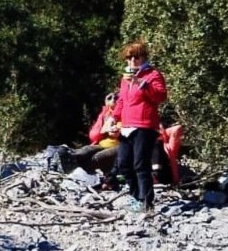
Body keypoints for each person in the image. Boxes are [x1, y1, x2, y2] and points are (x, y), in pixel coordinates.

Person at [112, 41, 168, 213]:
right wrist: (114, 118)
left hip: (145, 126)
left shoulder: (153, 74)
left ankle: (146, 202)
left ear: (143, 57)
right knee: (123, 164)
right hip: (127, 126)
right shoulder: (125, 79)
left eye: (136, 57)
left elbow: (161, 96)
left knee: (141, 165)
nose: (132, 61)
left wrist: (140, 83)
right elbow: (122, 100)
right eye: (128, 58)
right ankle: (136, 196)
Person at [72, 92, 121, 176]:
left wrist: (116, 131)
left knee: (96, 158)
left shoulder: (126, 113)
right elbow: (95, 134)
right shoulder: (106, 114)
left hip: (119, 145)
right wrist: (106, 111)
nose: (113, 100)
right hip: (103, 143)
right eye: (110, 98)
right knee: (83, 152)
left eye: (116, 98)